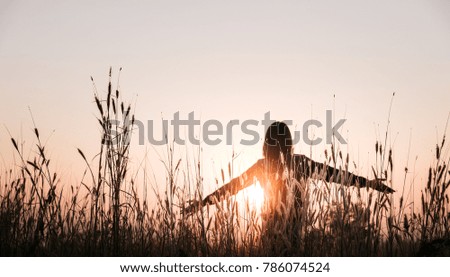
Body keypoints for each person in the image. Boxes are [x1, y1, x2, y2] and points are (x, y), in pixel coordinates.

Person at [184, 121, 394, 214]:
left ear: (266, 144)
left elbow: (231, 188)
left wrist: (202, 204)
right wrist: (370, 184)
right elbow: (338, 176)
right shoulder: (301, 163)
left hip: (271, 226)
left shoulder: (261, 166)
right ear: (288, 142)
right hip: (295, 228)